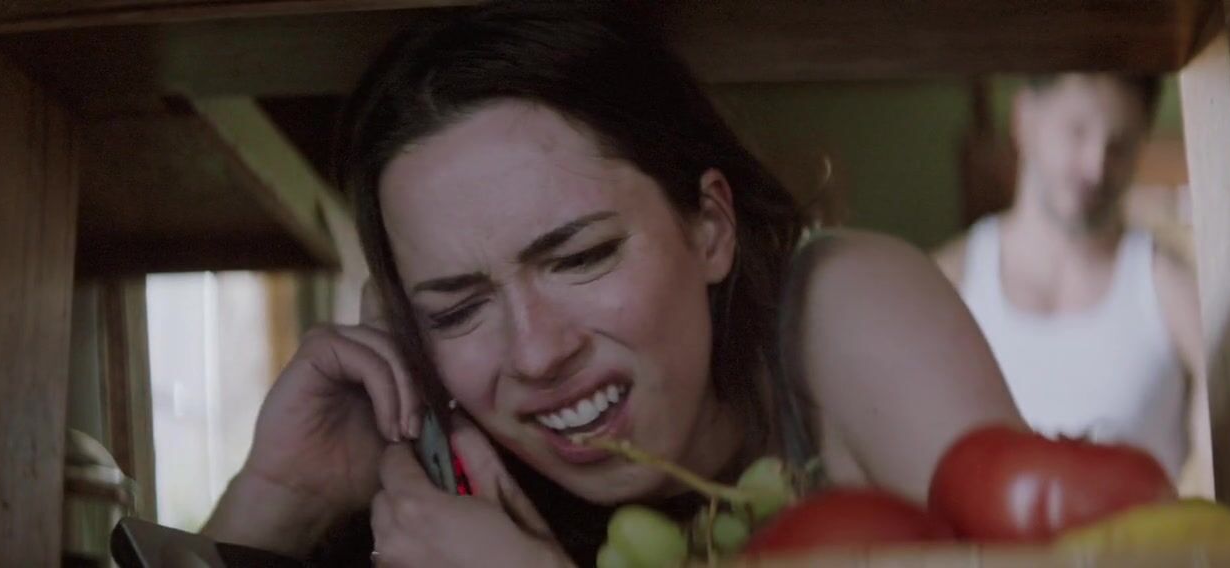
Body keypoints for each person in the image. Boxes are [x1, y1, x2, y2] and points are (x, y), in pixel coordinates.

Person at [203, 2, 1022, 566]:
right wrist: (277, 502)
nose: (537, 353)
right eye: (457, 309)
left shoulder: (844, 308)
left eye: (581, 257)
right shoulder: (442, 518)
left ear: (710, 226)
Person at [933, 74, 1211, 496]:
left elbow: (1226, 473)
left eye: (1120, 144)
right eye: (1077, 130)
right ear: (1024, 119)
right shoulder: (948, 283)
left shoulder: (1173, 290)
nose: (1096, 165)